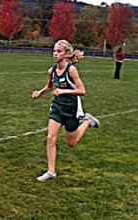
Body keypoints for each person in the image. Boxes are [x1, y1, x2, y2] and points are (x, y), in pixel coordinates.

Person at [32, 40, 100, 182]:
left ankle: (87, 121)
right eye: (54, 51)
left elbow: (82, 91)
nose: (55, 54)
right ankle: (51, 171)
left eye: (59, 51)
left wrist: (63, 91)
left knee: (71, 143)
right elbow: (49, 86)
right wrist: (39, 92)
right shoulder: (51, 71)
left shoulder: (71, 70)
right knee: (50, 137)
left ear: (67, 54)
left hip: (72, 109)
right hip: (57, 107)